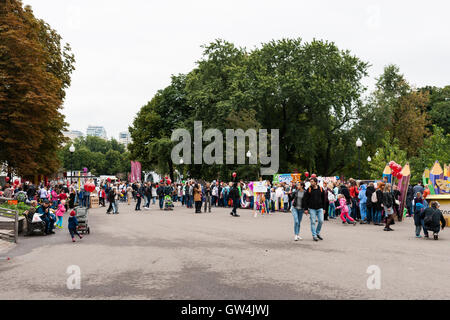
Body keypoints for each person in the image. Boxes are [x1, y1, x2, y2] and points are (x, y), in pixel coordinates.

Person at [304, 177, 326, 241]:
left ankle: (317, 233)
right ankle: (314, 235)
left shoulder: (321, 189)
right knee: (313, 222)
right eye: (310, 181)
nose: (311, 183)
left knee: (321, 221)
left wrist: (324, 208)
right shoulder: (309, 189)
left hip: (320, 208)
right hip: (312, 208)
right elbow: (305, 199)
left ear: (316, 182)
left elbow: (324, 200)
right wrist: (306, 209)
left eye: (312, 181)